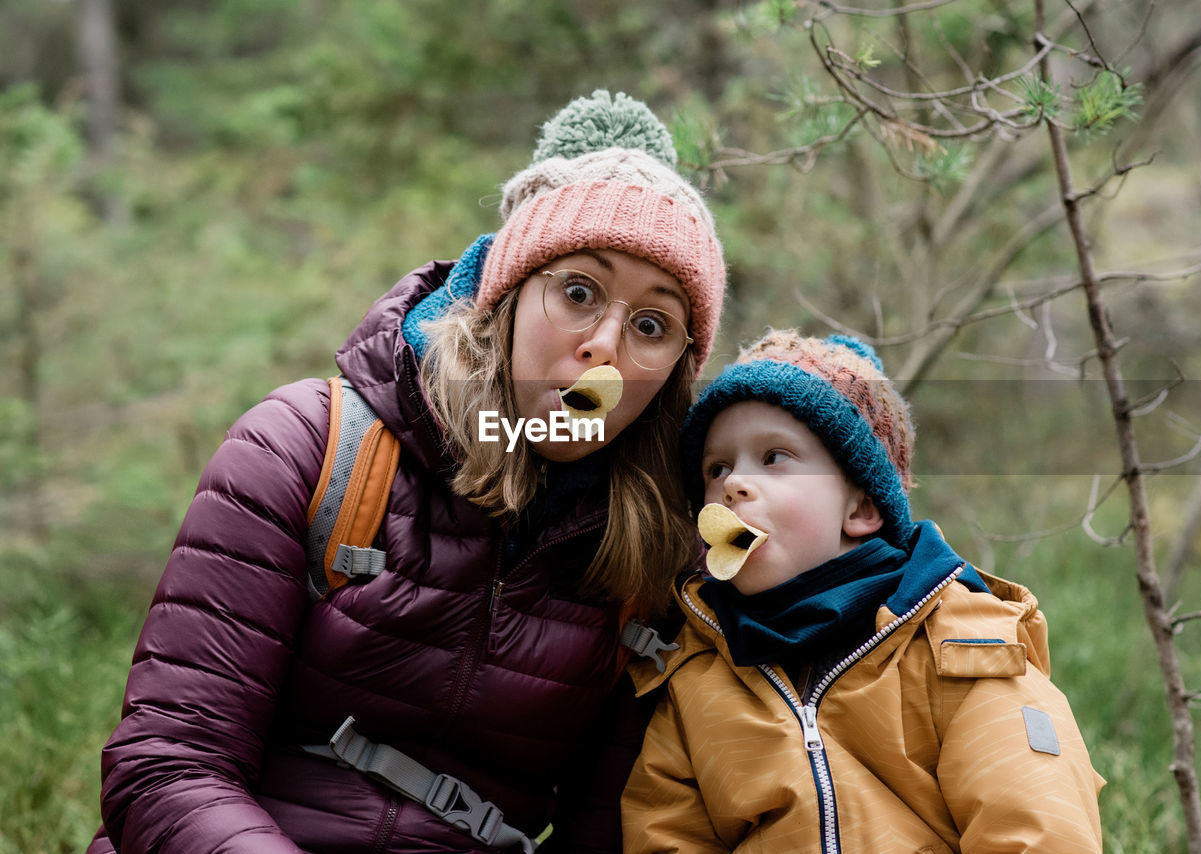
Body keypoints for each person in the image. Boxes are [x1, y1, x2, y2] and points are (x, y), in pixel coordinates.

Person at [87, 90, 726, 854]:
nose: (606, 345)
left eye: (652, 324)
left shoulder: (656, 561)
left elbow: (609, 833)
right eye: (578, 292)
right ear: (508, 294)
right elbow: (167, 767)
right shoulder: (308, 451)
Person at [621, 330, 1106, 853]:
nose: (734, 483)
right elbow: (666, 836)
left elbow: (1036, 828)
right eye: (718, 468)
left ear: (861, 509)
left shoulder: (967, 646)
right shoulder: (697, 675)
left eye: (774, 457)